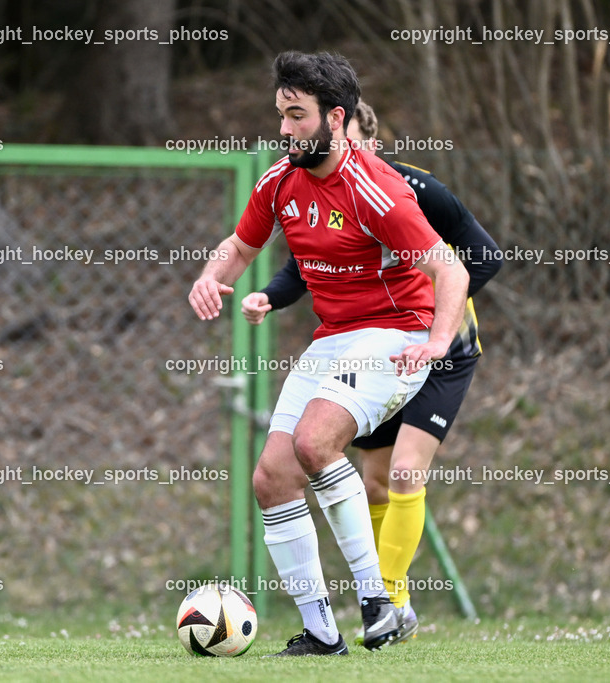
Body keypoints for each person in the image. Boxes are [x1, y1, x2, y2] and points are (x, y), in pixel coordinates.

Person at [188, 51, 470, 655]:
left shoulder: (377, 189)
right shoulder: (279, 181)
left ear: (335, 119)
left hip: (395, 333)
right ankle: (321, 634)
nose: (284, 130)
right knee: (272, 477)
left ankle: (377, 604)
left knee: (316, 444)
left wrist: (437, 344)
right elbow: (239, 248)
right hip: (333, 339)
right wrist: (212, 277)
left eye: (297, 116)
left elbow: (451, 269)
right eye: (281, 115)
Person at [241, 100, 502, 645]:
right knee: (371, 479)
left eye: (354, 145)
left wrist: (434, 320)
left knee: (404, 471)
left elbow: (480, 254)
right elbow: (300, 267)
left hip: (439, 346)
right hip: (366, 346)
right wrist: (267, 293)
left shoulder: (415, 189)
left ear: (367, 141)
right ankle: (339, 623)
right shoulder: (315, 184)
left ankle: (388, 599)